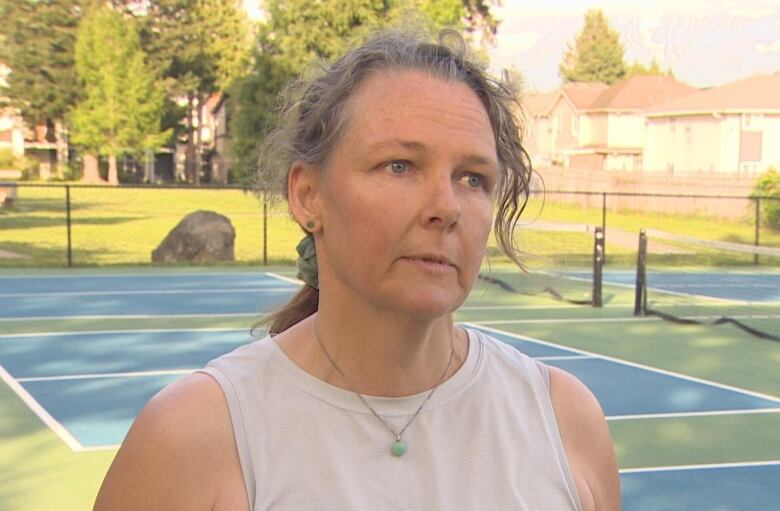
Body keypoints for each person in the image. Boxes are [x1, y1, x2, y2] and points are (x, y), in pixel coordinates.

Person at [94, 29, 620, 511]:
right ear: (308, 196)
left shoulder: (565, 419)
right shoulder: (195, 436)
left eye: (473, 177)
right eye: (400, 166)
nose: (446, 206)